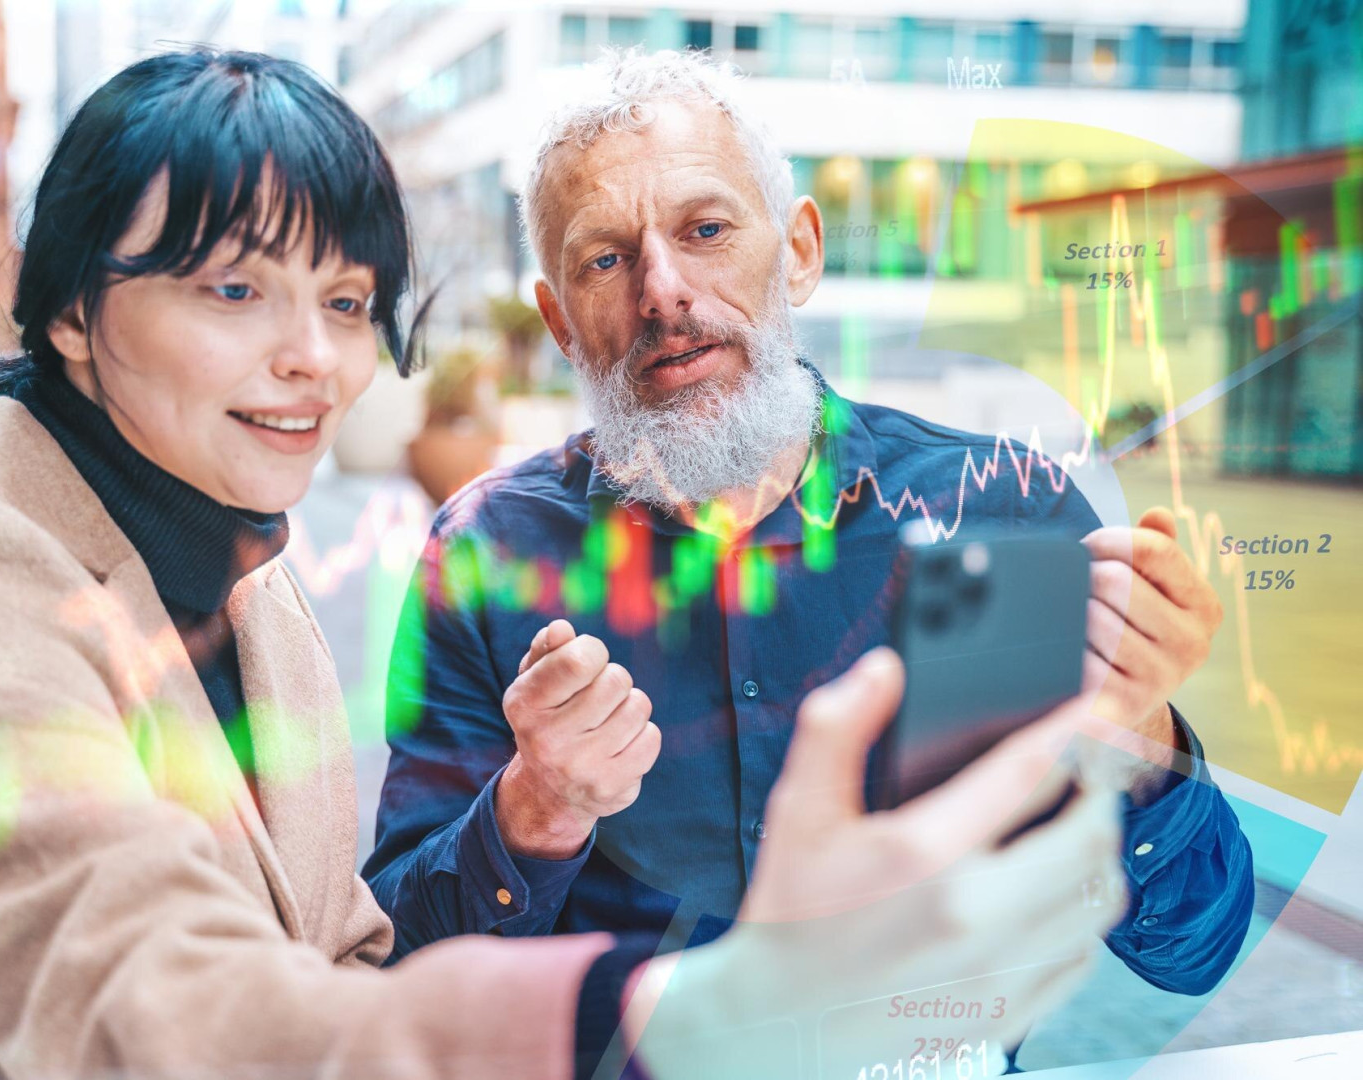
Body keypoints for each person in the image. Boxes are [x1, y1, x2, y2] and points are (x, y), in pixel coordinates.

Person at [0, 49, 1125, 1080]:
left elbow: (345, 957)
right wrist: (670, 1003)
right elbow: (149, 1011)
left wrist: (1147, 743)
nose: (312, 358)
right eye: (235, 290)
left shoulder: (254, 598)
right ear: (71, 319)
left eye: (345, 302)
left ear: (800, 249)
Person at [364, 47, 1255, 1011]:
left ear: (799, 251)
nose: (662, 290)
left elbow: (1192, 953)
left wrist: (1132, 733)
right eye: (607, 258)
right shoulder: (486, 551)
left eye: (706, 228)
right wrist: (537, 807)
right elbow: (397, 965)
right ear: (561, 321)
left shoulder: (1008, 514)